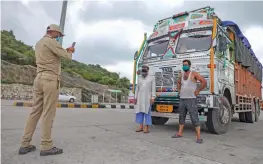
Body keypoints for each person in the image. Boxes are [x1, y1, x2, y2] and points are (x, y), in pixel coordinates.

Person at [18, 24, 75, 156]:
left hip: (38, 78)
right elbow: (67, 57)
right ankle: (46, 145)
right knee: (48, 113)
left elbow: (53, 54)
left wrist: (64, 50)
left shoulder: (39, 43)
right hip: (50, 79)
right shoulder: (51, 41)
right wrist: (70, 51)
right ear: (53, 32)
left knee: (35, 112)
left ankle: (25, 144)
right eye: (59, 35)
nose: (59, 38)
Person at [172, 59, 207, 144]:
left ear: (189, 66)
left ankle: (198, 137)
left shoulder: (194, 74)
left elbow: (204, 81)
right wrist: (179, 90)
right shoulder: (182, 74)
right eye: (183, 64)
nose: (184, 66)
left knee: (194, 117)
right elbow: (178, 82)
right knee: (181, 116)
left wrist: (198, 90)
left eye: (186, 64)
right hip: (182, 99)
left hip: (191, 99)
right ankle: (179, 133)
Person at [134, 65, 156, 133]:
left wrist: (153, 97)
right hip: (140, 98)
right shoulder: (139, 77)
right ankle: (141, 126)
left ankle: (146, 127)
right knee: (139, 112)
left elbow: (153, 89)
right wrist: (135, 97)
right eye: (142, 70)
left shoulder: (151, 78)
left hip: (147, 98)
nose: (143, 72)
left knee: (147, 112)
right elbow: (137, 88)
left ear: (148, 71)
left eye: (145, 70)